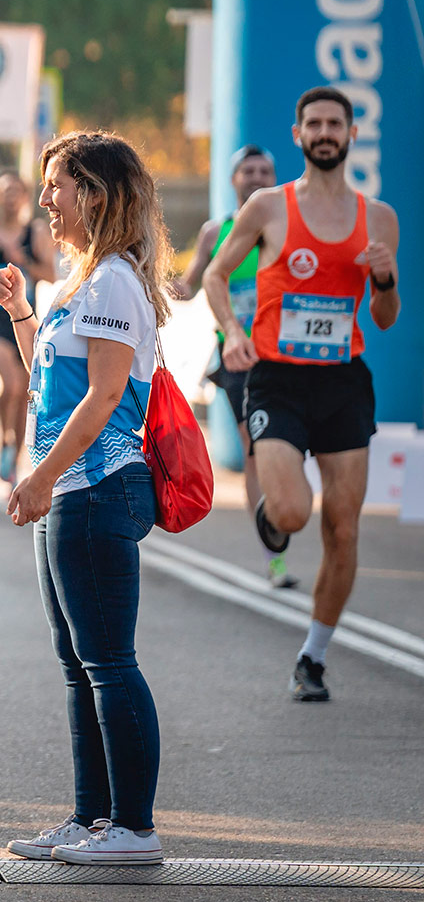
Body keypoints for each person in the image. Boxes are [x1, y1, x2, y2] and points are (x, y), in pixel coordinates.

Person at [0, 131, 169, 867]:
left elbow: (101, 399)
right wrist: (24, 315)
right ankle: (91, 817)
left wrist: (37, 477)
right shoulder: (81, 282)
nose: (44, 201)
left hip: (96, 488)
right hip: (73, 487)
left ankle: (133, 827)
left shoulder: (113, 283)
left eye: (57, 185)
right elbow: (51, 386)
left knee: (109, 663)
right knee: (79, 661)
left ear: (94, 193)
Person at [204, 87, 400, 704]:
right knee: (291, 515)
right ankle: (273, 515)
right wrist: (232, 332)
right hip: (278, 378)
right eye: (312, 123)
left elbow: (386, 316)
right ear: (298, 135)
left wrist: (386, 277)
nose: (323, 132)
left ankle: (313, 657)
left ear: (350, 134)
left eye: (333, 124)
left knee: (343, 530)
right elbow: (213, 272)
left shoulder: (380, 219)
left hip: (343, 382)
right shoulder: (267, 207)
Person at [173, 145, 291, 588]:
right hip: (239, 355)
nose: (257, 176)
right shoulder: (215, 232)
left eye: (266, 169)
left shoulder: (288, 225)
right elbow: (189, 287)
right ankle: (273, 557)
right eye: (248, 170)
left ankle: (284, 513)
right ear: (233, 179)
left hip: (288, 353)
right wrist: (154, 277)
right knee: (255, 448)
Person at [0, 172, 59, 483]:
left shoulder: (36, 232)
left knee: (22, 391)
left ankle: (12, 453)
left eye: (16, 191)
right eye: (4, 191)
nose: (9, 197)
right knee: (14, 382)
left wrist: (25, 264)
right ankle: (5, 441)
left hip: (26, 322)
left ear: (24, 196)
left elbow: (51, 274)